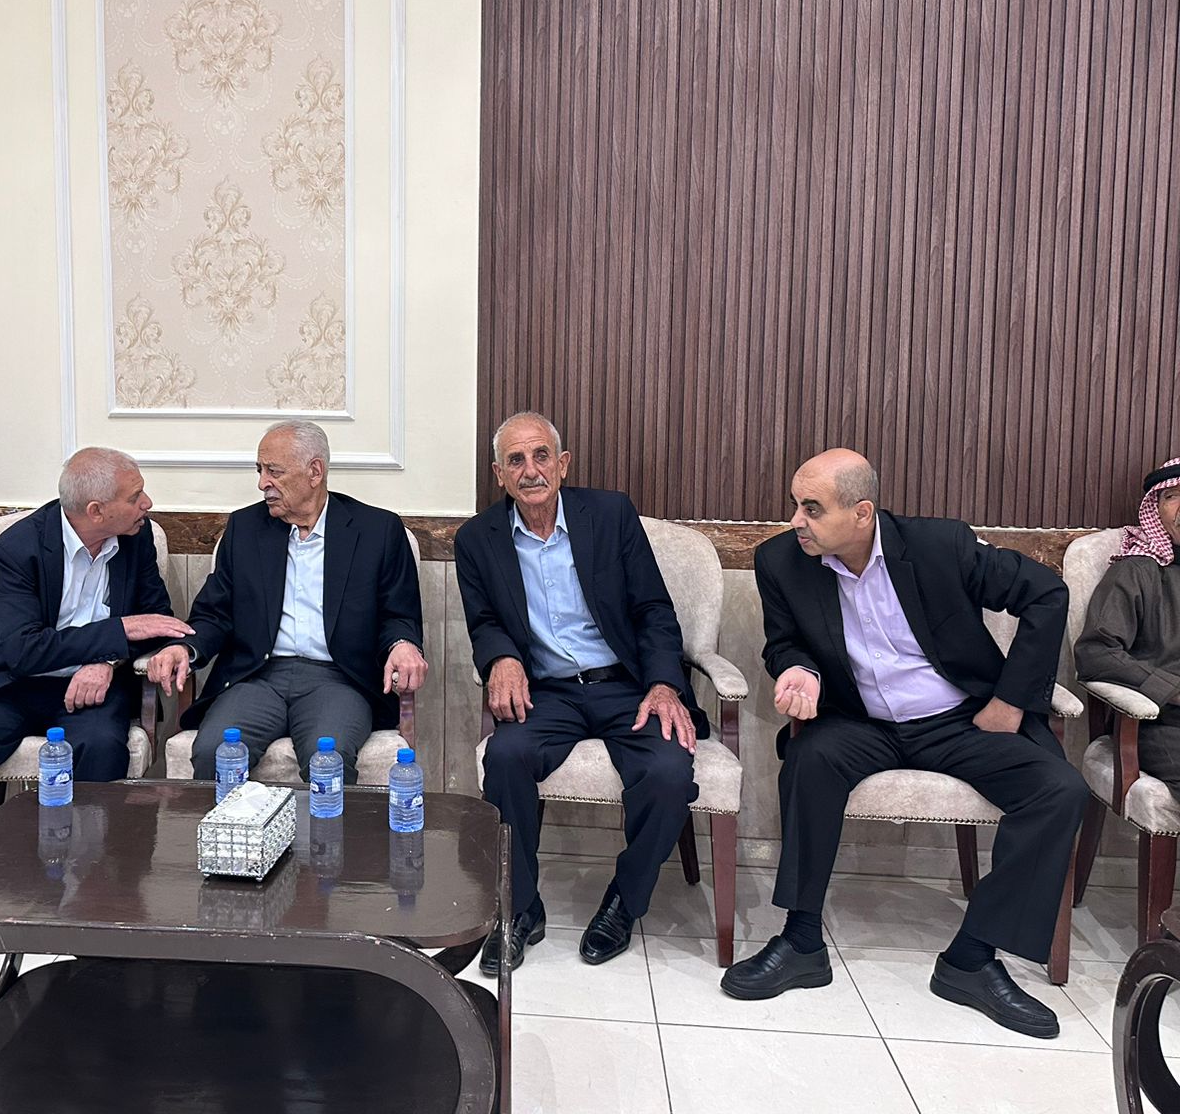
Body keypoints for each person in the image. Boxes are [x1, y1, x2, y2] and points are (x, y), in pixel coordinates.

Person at [720, 449, 1087, 1040]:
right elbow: (784, 642)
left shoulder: (941, 546)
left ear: (861, 513)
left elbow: (1047, 593)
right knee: (810, 760)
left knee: (1059, 790)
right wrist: (799, 670)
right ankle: (801, 941)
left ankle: (972, 958)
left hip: (956, 721)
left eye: (811, 508)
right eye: (795, 505)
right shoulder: (781, 561)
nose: (795, 521)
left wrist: (1012, 700)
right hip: (859, 720)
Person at [456, 412, 702, 973]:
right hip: (548, 693)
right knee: (505, 756)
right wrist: (501, 659)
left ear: (563, 464)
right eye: (516, 460)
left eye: (541, 456)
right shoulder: (477, 539)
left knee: (669, 773)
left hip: (625, 686)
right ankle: (519, 908)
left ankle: (624, 901)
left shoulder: (610, 515)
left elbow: (653, 610)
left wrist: (664, 684)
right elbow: (484, 621)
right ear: (499, 474)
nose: (531, 470)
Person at [0, 448, 190, 843]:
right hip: (13, 683)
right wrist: (118, 631)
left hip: (93, 689)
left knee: (101, 746)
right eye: (134, 497)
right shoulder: (19, 547)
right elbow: (24, 650)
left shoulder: (136, 537)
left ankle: (91, 873)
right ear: (96, 511)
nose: (147, 503)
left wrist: (106, 660)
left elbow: (157, 622)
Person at [146, 420, 427, 783]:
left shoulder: (377, 530)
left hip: (338, 678)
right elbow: (214, 613)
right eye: (260, 470)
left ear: (315, 472)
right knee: (214, 751)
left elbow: (398, 613)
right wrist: (184, 648)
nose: (263, 482)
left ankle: (324, 826)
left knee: (328, 759)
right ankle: (232, 824)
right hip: (257, 676)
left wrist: (403, 644)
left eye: (274, 471)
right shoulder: (245, 528)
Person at [1075, 457, 1180, 797]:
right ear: (1156, 509)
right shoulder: (1136, 571)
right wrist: (1171, 689)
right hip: (1161, 723)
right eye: (1173, 496)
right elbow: (1096, 653)